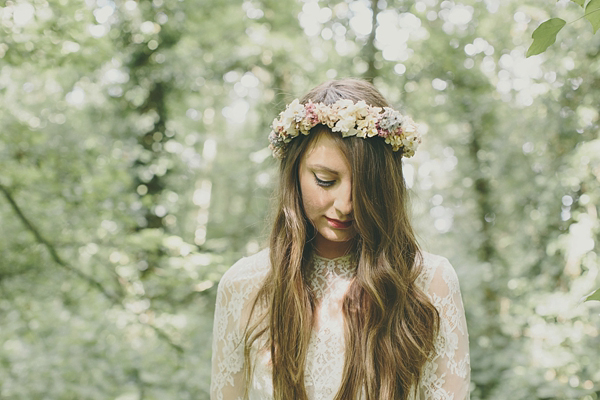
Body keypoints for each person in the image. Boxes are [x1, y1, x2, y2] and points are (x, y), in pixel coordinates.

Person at [210, 78, 470, 400]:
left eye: (365, 186)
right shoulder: (243, 284)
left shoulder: (430, 282)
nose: (346, 205)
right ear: (295, 174)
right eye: (325, 180)